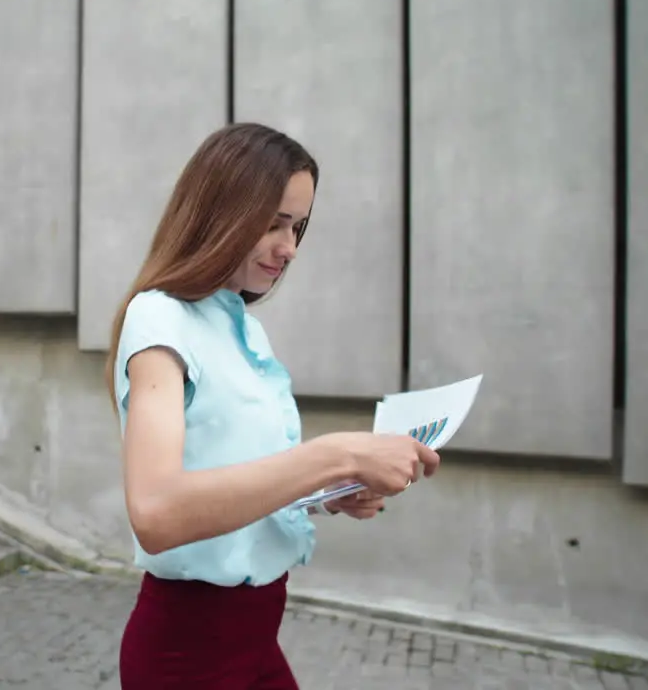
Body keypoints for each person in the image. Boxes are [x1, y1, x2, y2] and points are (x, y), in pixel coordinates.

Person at [106, 122, 442, 689]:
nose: (288, 247)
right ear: (220, 212)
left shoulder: (248, 332)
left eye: (299, 227)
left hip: (258, 637)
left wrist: (329, 494)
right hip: (188, 656)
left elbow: (234, 478)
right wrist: (337, 455)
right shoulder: (158, 317)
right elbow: (158, 513)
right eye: (273, 223)